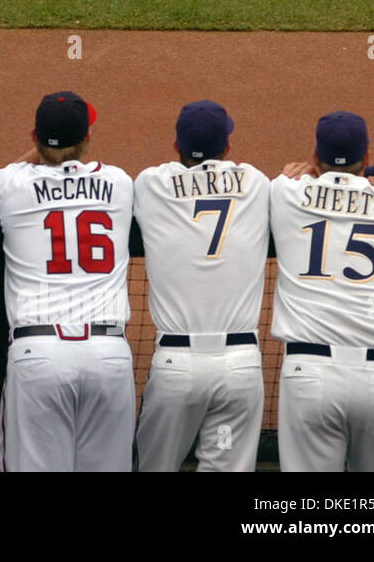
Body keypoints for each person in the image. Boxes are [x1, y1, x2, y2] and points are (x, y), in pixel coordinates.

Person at [0, 91, 135, 472]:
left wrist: (43, 154)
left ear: (34, 137)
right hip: (108, 355)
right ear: (87, 140)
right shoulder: (119, 184)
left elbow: (4, 181)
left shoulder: (9, 184)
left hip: (38, 357)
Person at [270, 111, 374, 472]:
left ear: (314, 157)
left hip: (309, 375)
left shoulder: (286, 189)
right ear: (366, 157)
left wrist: (317, 174)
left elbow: (312, 179)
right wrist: (372, 175)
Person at [132, 100, 269, 471]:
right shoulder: (256, 184)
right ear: (227, 147)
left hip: (177, 369)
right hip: (239, 370)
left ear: (176, 146)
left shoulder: (151, 184)